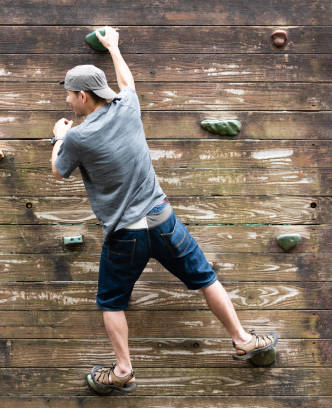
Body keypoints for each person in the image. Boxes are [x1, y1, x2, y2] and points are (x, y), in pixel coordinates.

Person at [50, 27, 278, 394]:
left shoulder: (78, 136)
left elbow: (59, 171)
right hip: (162, 219)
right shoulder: (128, 107)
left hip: (126, 234)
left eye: (68, 94)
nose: (67, 101)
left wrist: (59, 136)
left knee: (111, 302)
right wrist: (114, 48)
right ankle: (242, 339)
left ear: (82, 95)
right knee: (206, 279)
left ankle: (123, 371)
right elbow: (127, 82)